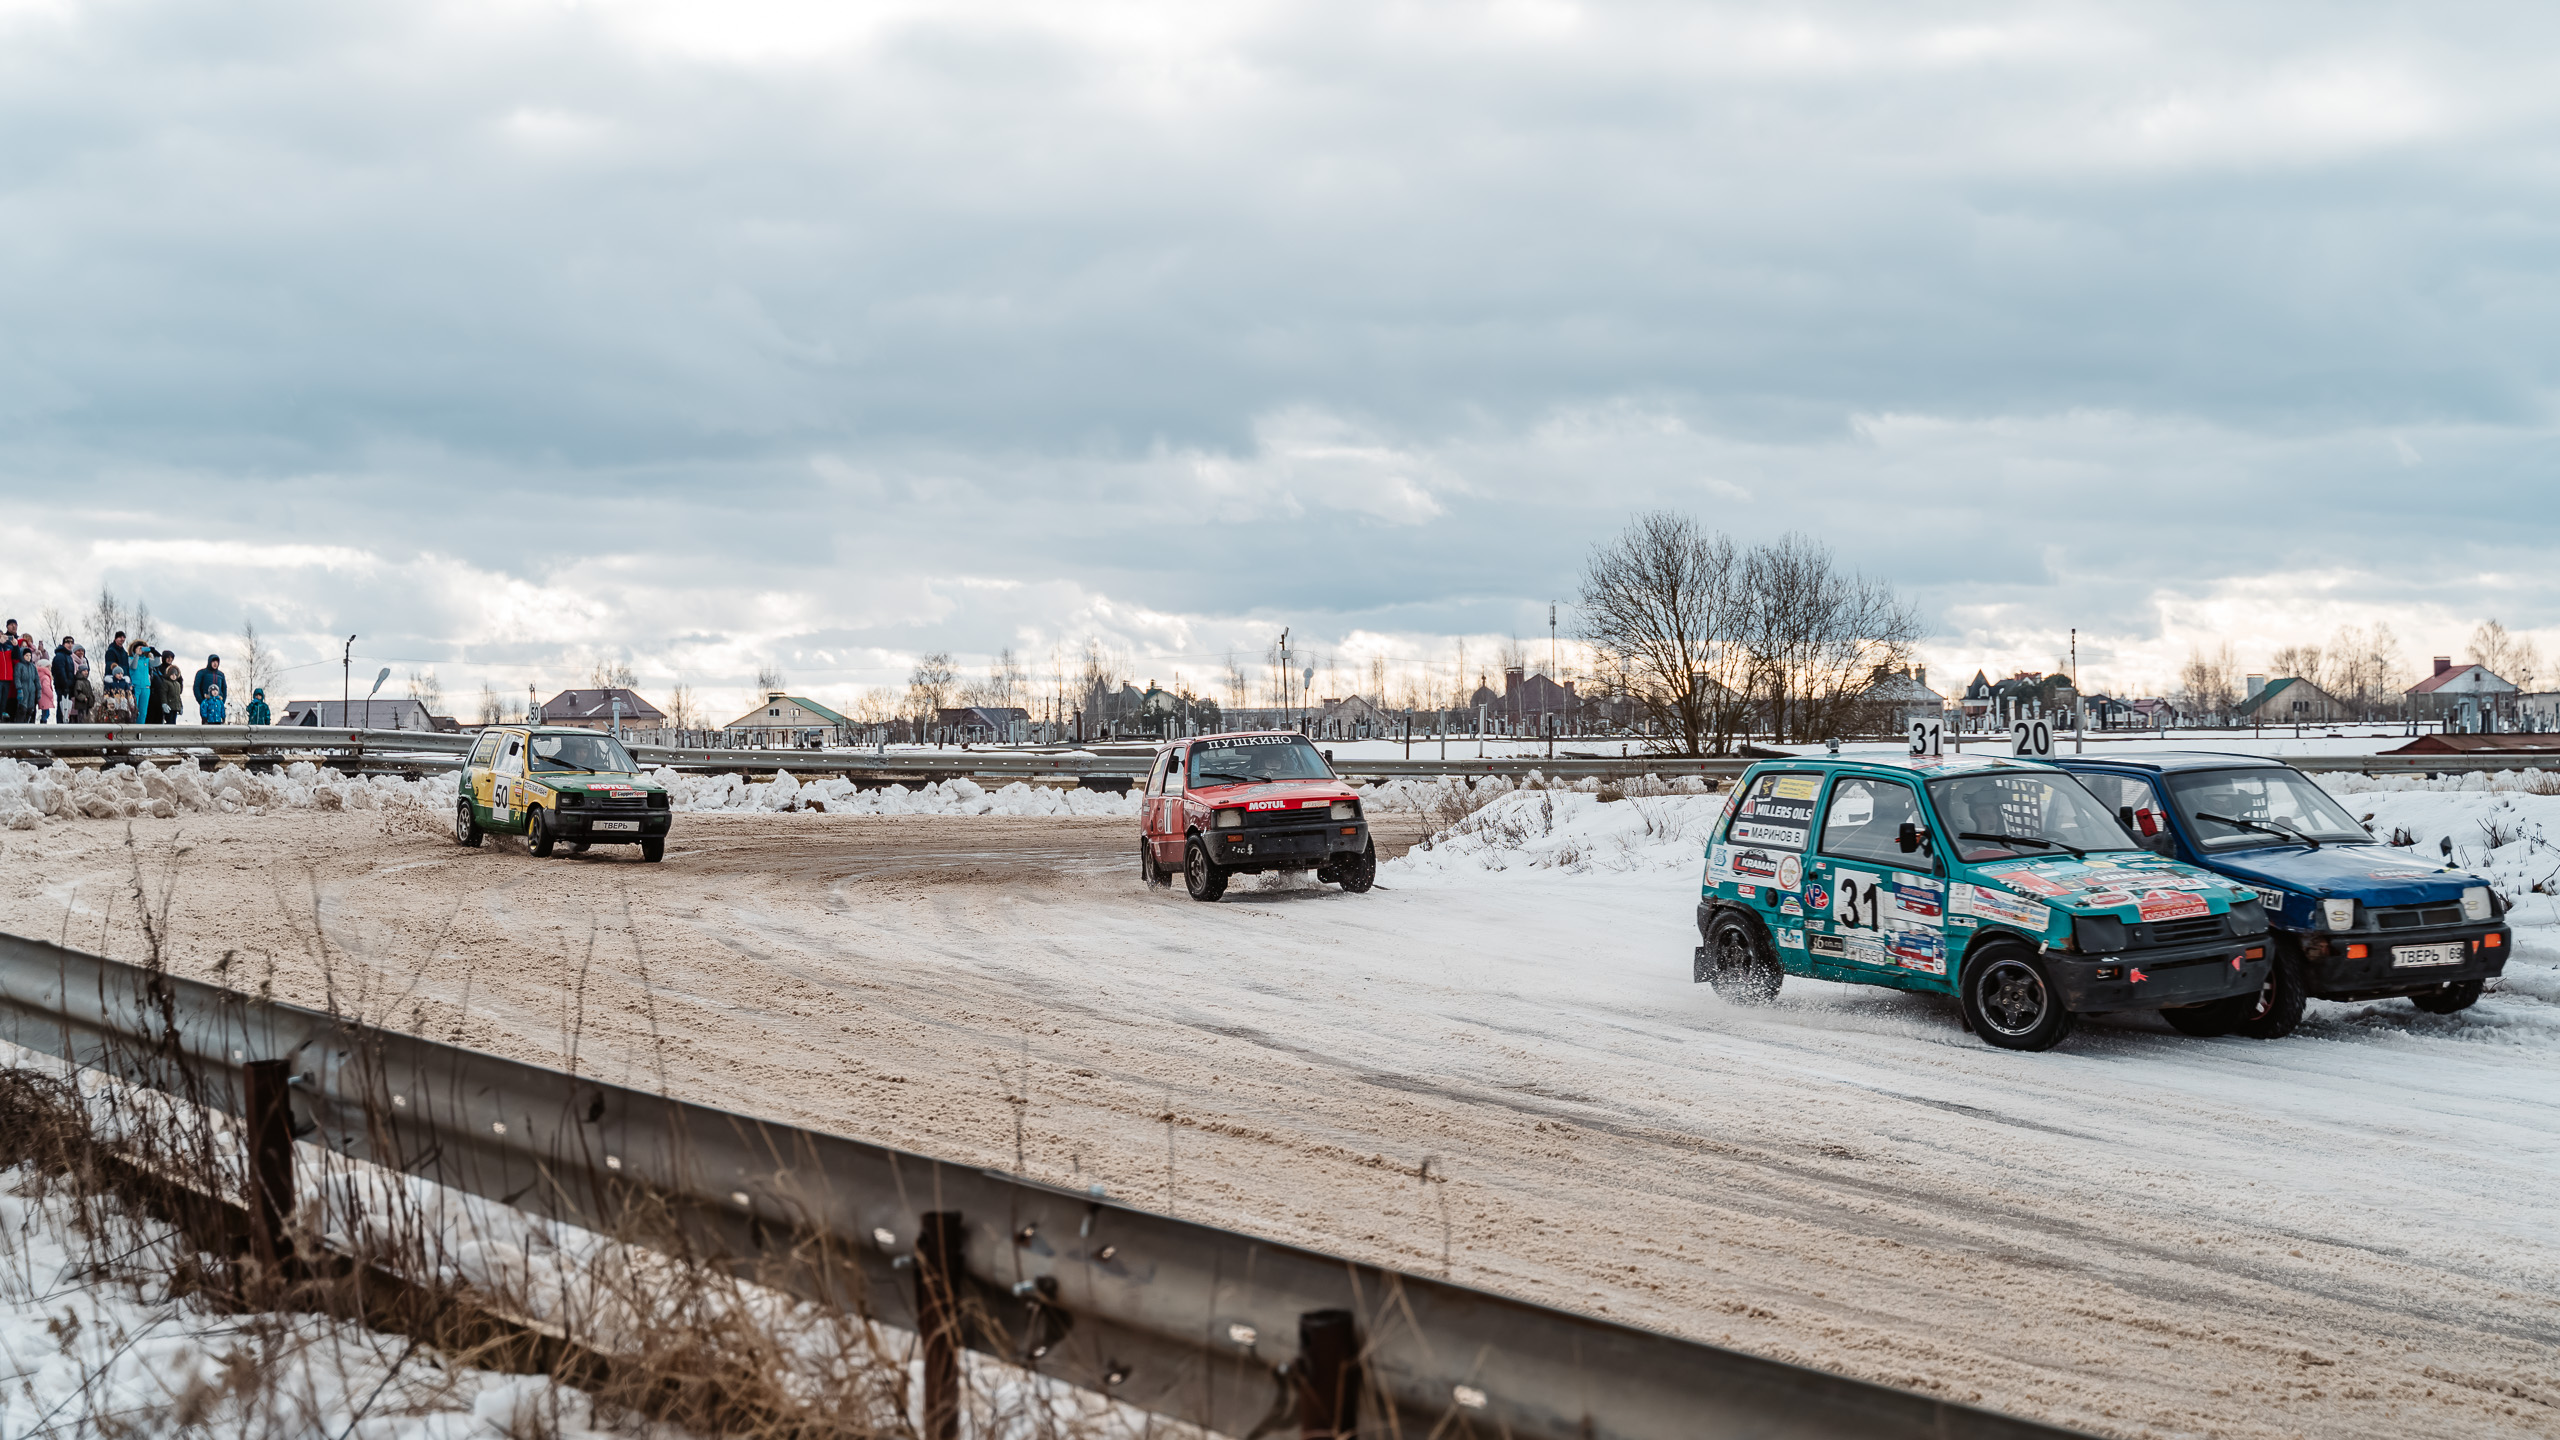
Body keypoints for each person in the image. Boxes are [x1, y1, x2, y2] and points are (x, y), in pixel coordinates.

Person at [193, 654, 228, 724]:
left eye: (217, 662)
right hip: (207, 704)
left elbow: (224, 688)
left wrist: (221, 702)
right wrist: (202, 701)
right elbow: (196, 687)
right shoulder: (201, 673)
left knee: (218, 729)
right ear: (209, 662)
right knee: (206, 727)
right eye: (213, 661)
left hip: (218, 705)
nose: (215, 663)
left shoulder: (221, 674)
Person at [153, 651, 184, 725]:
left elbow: (180, 682)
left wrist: (180, 705)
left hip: (172, 699)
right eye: (168, 657)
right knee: (159, 719)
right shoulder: (158, 668)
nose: (170, 659)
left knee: (172, 721)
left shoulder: (174, 669)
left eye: (171, 658)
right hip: (158, 697)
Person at [32, 638, 55, 723]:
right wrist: (51, 695)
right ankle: (43, 724)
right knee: (46, 714)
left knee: (45, 713)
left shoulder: (40, 674)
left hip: (42, 697)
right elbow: (45, 687)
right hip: (45, 697)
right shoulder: (45, 676)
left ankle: (43, 722)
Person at [51, 638, 74, 722]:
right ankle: (60, 726)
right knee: (62, 707)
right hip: (62, 686)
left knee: (67, 709)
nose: (70, 644)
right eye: (68, 642)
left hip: (68, 687)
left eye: (72, 643)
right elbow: (60, 672)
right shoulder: (60, 656)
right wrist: (65, 684)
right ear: (63, 644)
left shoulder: (69, 657)